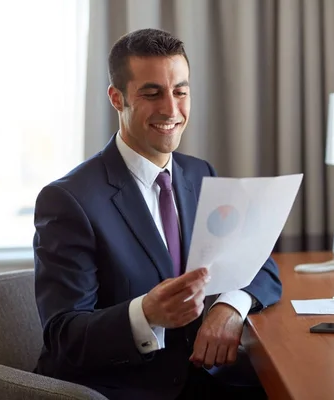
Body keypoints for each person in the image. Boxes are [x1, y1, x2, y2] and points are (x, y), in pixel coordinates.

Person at [32, 28, 282, 400]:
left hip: (205, 375)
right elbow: (65, 339)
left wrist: (229, 307)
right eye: (152, 93)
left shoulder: (200, 174)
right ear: (117, 98)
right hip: (125, 388)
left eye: (180, 91)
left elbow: (260, 265)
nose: (171, 109)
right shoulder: (68, 200)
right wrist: (145, 313)